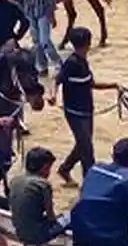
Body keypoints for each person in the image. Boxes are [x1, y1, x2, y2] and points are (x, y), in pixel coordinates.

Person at [50, 27, 118, 185]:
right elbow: (56, 79)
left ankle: (65, 169)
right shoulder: (72, 63)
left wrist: (114, 85)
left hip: (87, 111)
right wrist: (53, 95)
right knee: (87, 149)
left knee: (83, 144)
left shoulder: (82, 62)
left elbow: (91, 84)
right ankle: (90, 183)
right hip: (74, 112)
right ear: (87, 43)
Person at [10, 146, 85, 246]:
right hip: (37, 234)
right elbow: (51, 217)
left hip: (18, 229)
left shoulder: (16, 179)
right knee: (73, 217)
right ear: (44, 167)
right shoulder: (43, 184)